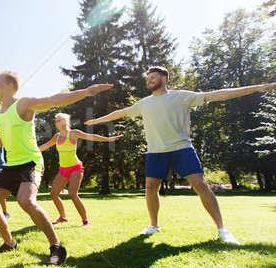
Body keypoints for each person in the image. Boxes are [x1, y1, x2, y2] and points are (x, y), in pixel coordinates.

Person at [85, 66, 276, 244]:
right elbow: (120, 113)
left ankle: (222, 230)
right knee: (151, 187)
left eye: (153, 77)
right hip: (155, 151)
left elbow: (217, 95)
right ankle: (153, 226)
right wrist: (97, 120)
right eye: (148, 79)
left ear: (164, 78)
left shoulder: (182, 97)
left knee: (200, 185)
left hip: (182, 149)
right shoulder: (144, 103)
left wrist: (260, 87)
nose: (149, 81)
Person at [0, 71, 112, 265]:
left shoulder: (23, 104)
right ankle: (9, 243)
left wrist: (86, 91)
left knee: (26, 202)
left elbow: (54, 99)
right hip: (11, 165)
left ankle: (56, 246)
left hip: (30, 162)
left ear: (10, 87)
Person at [39, 113, 123, 227]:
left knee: (73, 193)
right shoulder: (57, 136)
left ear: (65, 121)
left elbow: (91, 136)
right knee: (53, 194)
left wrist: (108, 139)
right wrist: (31, 151)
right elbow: (45, 145)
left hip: (75, 167)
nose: (56, 123)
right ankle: (63, 217)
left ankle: (85, 221)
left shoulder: (74, 133)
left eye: (59, 120)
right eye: (55, 121)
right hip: (63, 169)